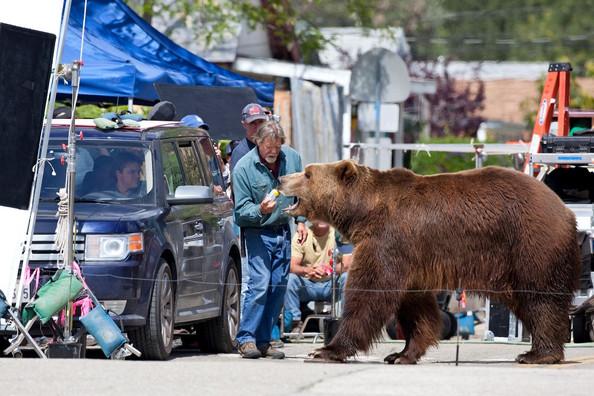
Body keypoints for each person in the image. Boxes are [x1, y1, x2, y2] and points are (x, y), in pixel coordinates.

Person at [232, 120, 306, 359]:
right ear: (258, 143)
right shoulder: (243, 168)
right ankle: (246, 338)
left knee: (277, 287)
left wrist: (302, 220)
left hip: (283, 230)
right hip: (257, 230)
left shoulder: (293, 159)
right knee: (260, 284)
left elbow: (302, 193)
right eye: (268, 147)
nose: (273, 151)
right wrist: (260, 210)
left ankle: (264, 339)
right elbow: (240, 212)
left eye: (277, 146)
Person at [284, 221, 351, 333]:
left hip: (332, 285)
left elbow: (348, 264)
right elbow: (292, 266)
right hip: (308, 284)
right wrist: (308, 270)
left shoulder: (340, 234)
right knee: (290, 279)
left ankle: (346, 324)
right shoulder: (302, 234)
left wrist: (329, 270)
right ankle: (295, 323)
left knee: (347, 276)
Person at [230, 103, 269, 173]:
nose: (257, 126)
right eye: (252, 123)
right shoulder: (240, 153)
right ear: (244, 124)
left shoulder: (273, 147)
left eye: (261, 121)